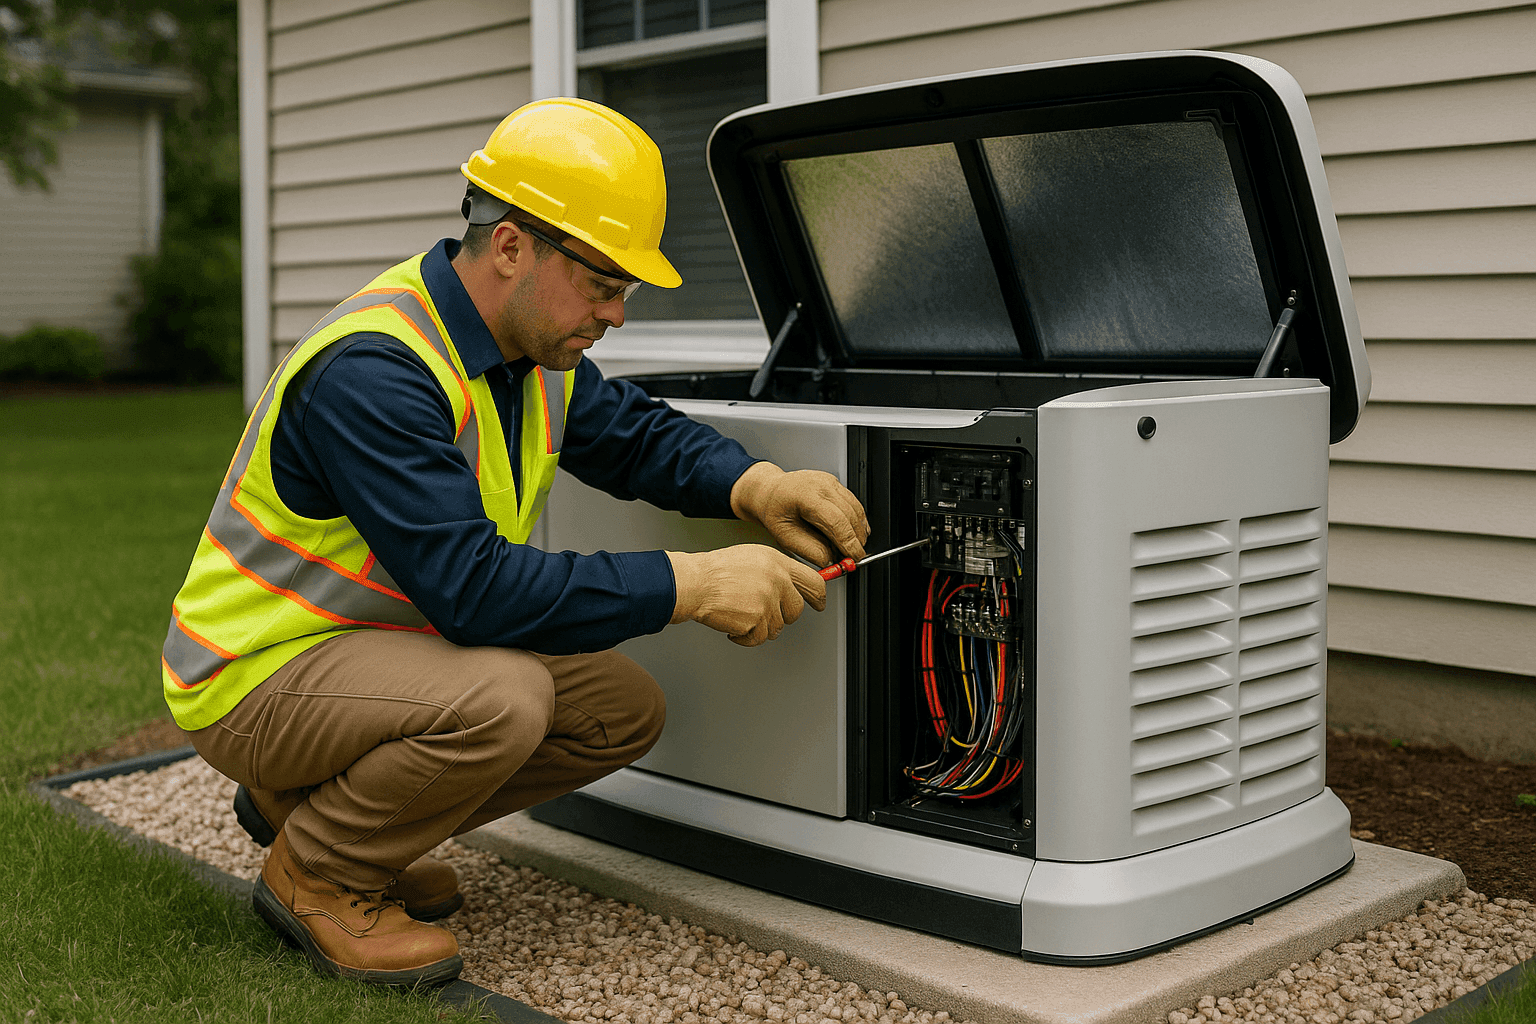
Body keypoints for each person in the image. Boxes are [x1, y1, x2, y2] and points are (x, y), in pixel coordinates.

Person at [160, 97, 869, 986]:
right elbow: (475, 592)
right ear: (510, 247)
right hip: (254, 671)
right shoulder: (378, 372)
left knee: (619, 711)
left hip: (369, 655)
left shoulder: (526, 353)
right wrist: (693, 583)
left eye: (625, 291)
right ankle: (322, 873)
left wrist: (758, 483)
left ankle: (322, 814)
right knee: (506, 697)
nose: (618, 314)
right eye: (605, 284)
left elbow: (635, 436)